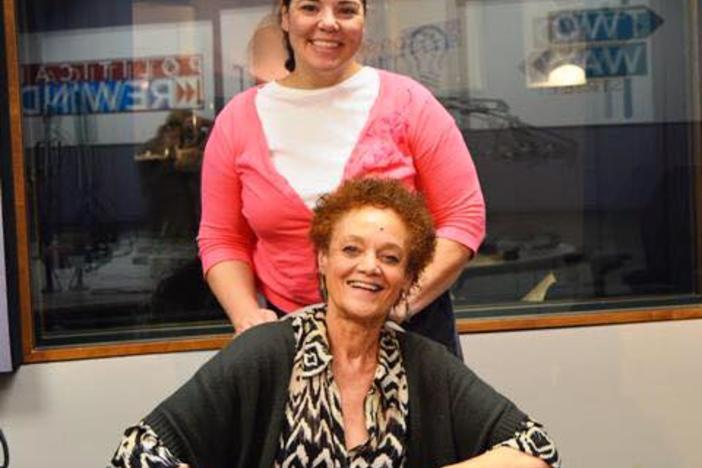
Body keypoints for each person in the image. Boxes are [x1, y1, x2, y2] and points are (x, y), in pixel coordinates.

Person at [110, 178, 560, 468]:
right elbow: (138, 454)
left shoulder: (422, 362)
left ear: (406, 278)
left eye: (390, 258)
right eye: (351, 250)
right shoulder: (270, 351)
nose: (370, 267)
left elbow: (535, 448)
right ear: (323, 260)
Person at [198, 0, 485, 356]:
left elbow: (463, 219)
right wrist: (248, 318)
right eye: (310, 8)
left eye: (346, 10)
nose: (329, 23)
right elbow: (222, 238)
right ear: (285, 17)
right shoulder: (237, 120)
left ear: (364, 20)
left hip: (410, 331)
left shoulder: (411, 102)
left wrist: (397, 306)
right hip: (290, 337)